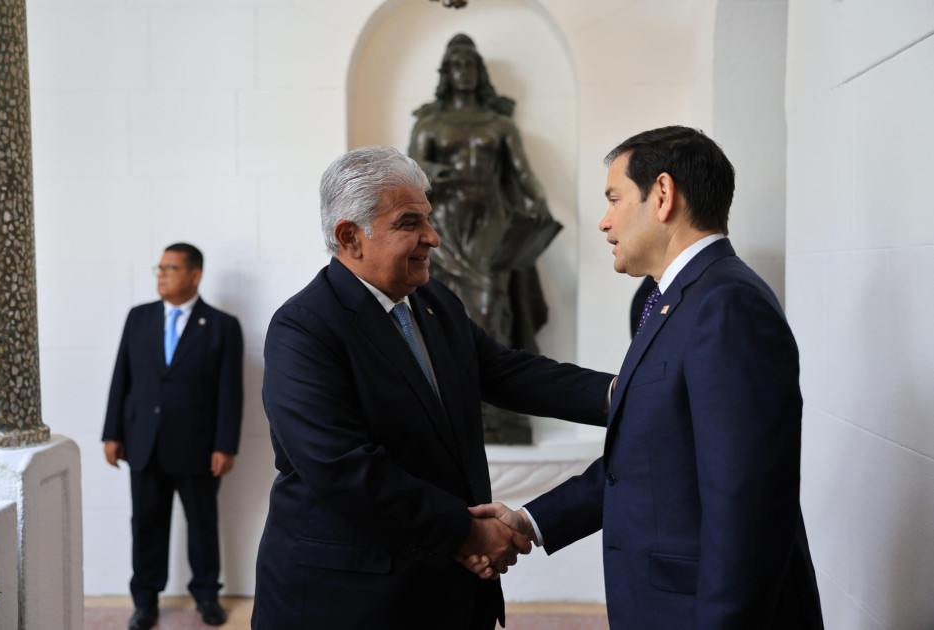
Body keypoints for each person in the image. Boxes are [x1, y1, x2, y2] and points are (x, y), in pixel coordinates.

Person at [467, 127, 824, 628]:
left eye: (614, 198)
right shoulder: (667, 301)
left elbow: (749, 509)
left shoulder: (727, 306)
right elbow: (645, 460)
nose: (604, 221)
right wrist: (531, 520)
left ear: (662, 196)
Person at [251, 146, 613, 630]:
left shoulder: (434, 302)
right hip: (347, 602)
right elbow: (344, 469)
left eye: (428, 219)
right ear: (350, 237)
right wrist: (469, 533)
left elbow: (510, 373)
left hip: (447, 594)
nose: (434, 237)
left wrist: (626, 393)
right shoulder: (304, 329)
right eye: (410, 223)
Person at [409, 34, 558, 443]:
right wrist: (432, 173)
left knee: (492, 307)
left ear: (480, 73)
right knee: (445, 310)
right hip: (447, 222)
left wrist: (541, 200)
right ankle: (458, 401)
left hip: (491, 220)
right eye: (457, 66)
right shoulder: (429, 124)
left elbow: (523, 172)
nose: (464, 73)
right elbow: (410, 172)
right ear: (447, 73)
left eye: (471, 66)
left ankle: (494, 404)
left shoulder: (500, 125)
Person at [102, 243, 243, 630]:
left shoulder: (221, 326)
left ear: (194, 274)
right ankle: (144, 601)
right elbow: (121, 379)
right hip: (142, 443)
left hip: (198, 448)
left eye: (171, 267)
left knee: (201, 524)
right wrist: (111, 433)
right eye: (159, 267)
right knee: (145, 524)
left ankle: (207, 597)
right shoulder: (139, 318)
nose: (161, 274)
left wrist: (225, 444)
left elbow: (230, 393)